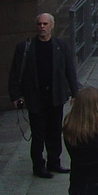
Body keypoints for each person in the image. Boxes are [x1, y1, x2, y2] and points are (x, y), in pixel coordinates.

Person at [9, 13, 80, 177]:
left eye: (45, 24)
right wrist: (15, 96)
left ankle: (54, 162)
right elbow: (15, 73)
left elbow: (69, 70)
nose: (42, 27)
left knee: (55, 131)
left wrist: (75, 93)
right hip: (36, 97)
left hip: (55, 96)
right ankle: (38, 166)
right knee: (38, 133)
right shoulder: (25, 48)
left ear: (52, 25)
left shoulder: (60, 46)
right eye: (39, 24)